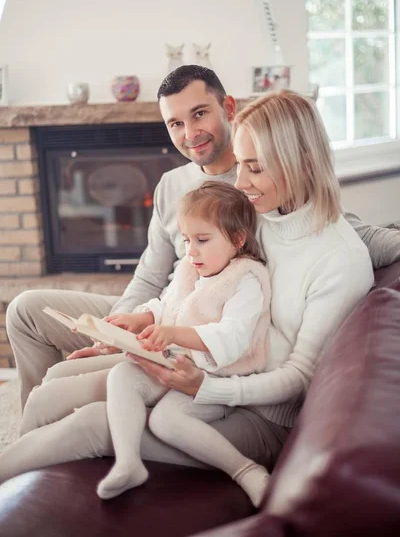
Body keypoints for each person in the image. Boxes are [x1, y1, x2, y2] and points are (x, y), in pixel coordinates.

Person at [5, 66, 400, 470]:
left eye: (255, 167)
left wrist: (205, 385)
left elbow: (350, 236)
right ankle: (25, 484)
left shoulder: (303, 236)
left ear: (226, 109)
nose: (241, 183)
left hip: (239, 390)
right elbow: (159, 279)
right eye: (175, 122)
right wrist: (118, 331)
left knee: (92, 419)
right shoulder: (259, 211)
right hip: (196, 344)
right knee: (50, 381)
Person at [74, 181, 271, 505]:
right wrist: (144, 318)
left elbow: (232, 338)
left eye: (202, 240)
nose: (190, 250)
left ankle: (245, 470)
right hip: (177, 365)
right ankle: (128, 462)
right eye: (186, 240)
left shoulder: (246, 279)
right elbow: (169, 304)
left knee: (166, 420)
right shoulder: (193, 270)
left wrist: (174, 334)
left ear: (238, 239)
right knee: (121, 374)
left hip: (218, 377)